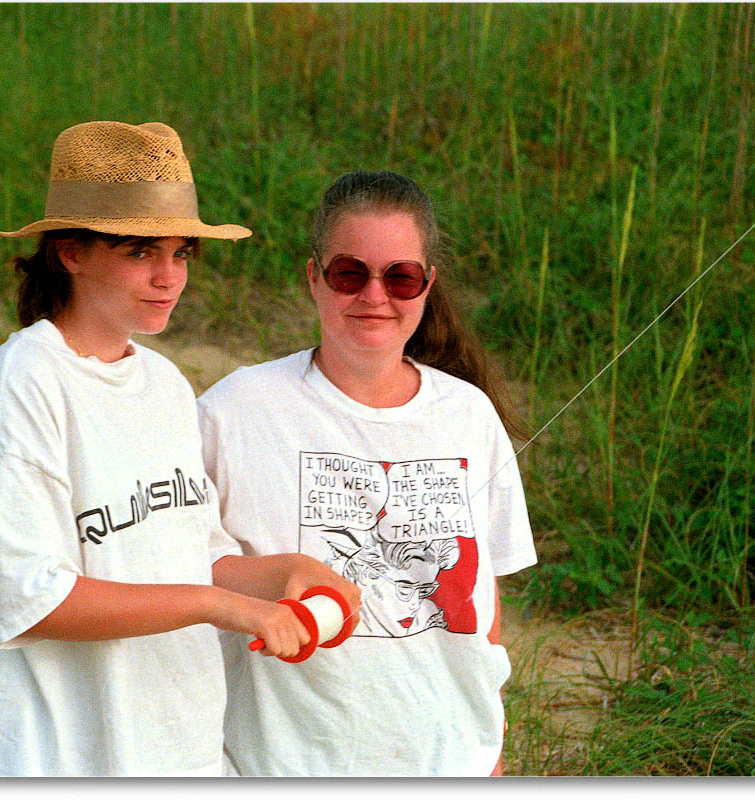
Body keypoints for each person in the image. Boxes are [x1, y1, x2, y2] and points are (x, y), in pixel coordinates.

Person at [0, 121, 359, 777]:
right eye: (139, 252)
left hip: (173, 748)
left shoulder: (163, 382)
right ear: (71, 253)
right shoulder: (23, 384)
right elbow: (35, 600)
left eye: (182, 252)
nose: (168, 276)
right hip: (51, 757)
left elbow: (196, 555)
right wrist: (221, 607)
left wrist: (280, 573)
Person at [197, 170, 537, 776]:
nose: (375, 296)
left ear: (427, 284)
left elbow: (485, 601)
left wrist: (491, 739)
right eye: (349, 274)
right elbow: (184, 570)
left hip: (452, 761)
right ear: (314, 279)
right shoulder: (235, 409)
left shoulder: (468, 414)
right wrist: (282, 577)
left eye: (400, 276)